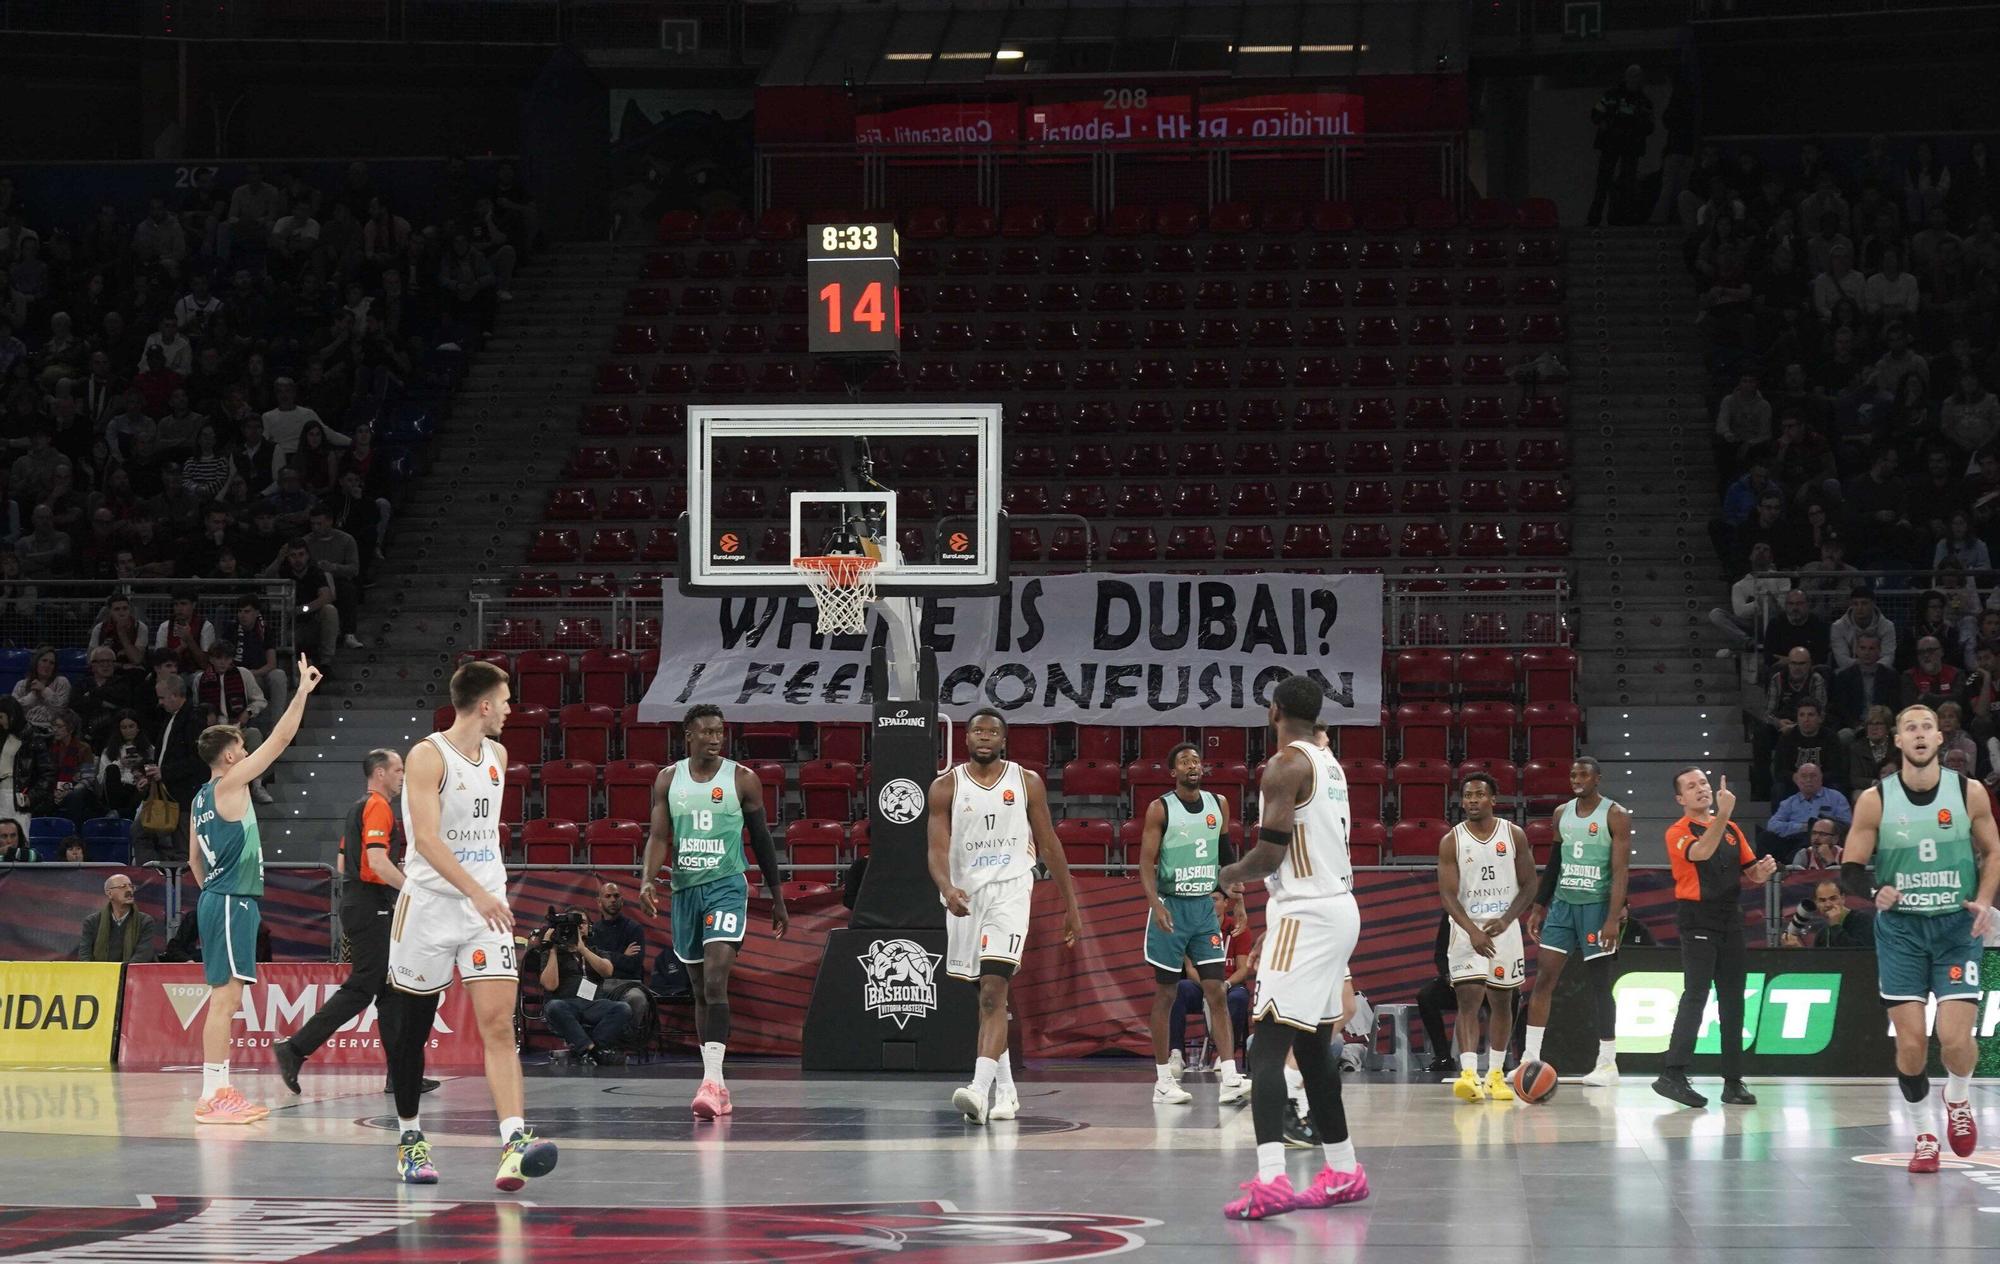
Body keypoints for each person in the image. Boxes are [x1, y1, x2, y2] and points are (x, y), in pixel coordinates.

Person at [379, 661, 556, 1190]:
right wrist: (475, 891)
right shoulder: (426, 756)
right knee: (412, 1032)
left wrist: (486, 892)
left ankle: (514, 1141)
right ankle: (410, 1138)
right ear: (482, 705)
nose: (509, 709)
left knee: (500, 1025)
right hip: (430, 906)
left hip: (486, 911)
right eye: (504, 700)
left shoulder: (498, 755)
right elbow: (427, 841)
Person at [1217, 674, 1365, 1220]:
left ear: (1273, 710)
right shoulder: (1329, 760)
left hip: (1304, 914)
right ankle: (1344, 1170)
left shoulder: (1285, 765)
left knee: (1266, 1048)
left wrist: (1226, 875)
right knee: (1312, 1050)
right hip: (1338, 909)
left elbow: (1269, 855)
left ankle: (1272, 1180)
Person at [1840, 704, 1998, 1172]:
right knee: (1911, 1046)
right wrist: (1874, 890)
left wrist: (1985, 901)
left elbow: (1993, 853)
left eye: (1927, 726)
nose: (1920, 734)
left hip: (1955, 926)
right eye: (1911, 728)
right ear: (1898, 741)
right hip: (1903, 931)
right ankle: (1924, 1134)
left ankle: (1958, 1096)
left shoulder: (1969, 793)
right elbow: (1849, 870)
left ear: (1940, 737)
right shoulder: (1876, 799)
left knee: (1954, 1039)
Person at [927, 707, 1081, 1127]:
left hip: (1012, 889)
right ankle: (1007, 1092)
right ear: (966, 738)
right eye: (977, 730)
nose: (984, 737)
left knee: (995, 987)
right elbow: (937, 850)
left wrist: (1071, 904)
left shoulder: (1026, 782)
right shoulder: (945, 787)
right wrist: (947, 888)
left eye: (992, 731)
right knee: (985, 997)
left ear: (1003, 739)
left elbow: (1049, 844)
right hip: (965, 896)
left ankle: (977, 1089)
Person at [187, 653, 322, 1125]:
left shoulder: (200, 798)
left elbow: (192, 861)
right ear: (228, 756)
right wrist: (302, 691)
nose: (247, 754)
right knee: (225, 1000)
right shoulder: (229, 784)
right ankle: (214, 1093)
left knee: (228, 997)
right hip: (229, 901)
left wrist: (215, 893)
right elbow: (281, 739)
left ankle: (217, 1090)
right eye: (242, 748)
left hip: (219, 898)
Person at [637, 704, 789, 1119]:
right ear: (689, 735)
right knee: (701, 987)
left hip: (726, 886)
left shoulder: (742, 778)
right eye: (705, 731)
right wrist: (648, 879)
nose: (714, 737)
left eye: (719, 731)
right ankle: (715, 1084)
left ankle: (712, 1081)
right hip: (686, 890)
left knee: (717, 980)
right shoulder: (669, 779)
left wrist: (777, 897)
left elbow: (761, 840)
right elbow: (659, 836)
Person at [272, 749, 436, 1098]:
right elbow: (375, 862)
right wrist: (412, 890)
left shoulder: (358, 808)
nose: (402, 775)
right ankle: (296, 1047)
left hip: (362, 903)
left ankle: (400, 1073)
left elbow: (344, 861)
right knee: (365, 986)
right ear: (379, 773)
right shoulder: (377, 807)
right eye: (397, 769)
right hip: (371, 905)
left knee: (392, 991)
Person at [1654, 769, 1779, 1109]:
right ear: (1680, 799)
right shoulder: (1678, 832)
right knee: (1696, 994)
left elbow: (1750, 871)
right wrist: (1723, 814)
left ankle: (1733, 1081)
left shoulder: (1733, 831)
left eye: (1704, 784)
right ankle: (1673, 1074)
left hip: (1729, 918)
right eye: (1691, 787)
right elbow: (1701, 853)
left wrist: (1762, 873)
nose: (1701, 790)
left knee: (1734, 1000)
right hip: (1697, 918)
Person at [1137, 742, 1249, 1105]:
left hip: (1203, 907)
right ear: (1173, 772)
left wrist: (1239, 903)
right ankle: (1162, 1080)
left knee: (1217, 990)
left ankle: (1230, 1075)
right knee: (1167, 993)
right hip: (1171, 906)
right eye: (1184, 761)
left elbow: (1227, 858)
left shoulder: (1219, 804)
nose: (1192, 765)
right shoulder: (1160, 808)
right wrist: (1156, 905)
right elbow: (1145, 863)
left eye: (1196, 760)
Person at [1522, 757, 1632, 1086]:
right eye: (1573, 774)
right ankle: (1530, 1058)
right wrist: (1539, 906)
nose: (1577, 779)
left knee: (1600, 986)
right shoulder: (1562, 814)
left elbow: (1620, 871)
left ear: (1598, 778)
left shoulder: (1615, 814)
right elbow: (1554, 863)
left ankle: (1607, 1062)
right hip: (1563, 905)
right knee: (1544, 979)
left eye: (1584, 774)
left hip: (1596, 907)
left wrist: (1613, 917)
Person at [1436, 771, 1536, 1104]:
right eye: (1467, 796)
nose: (1473, 801)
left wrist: (1507, 919)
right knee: (1469, 998)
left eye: (1479, 794)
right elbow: (1448, 895)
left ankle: (1495, 1074)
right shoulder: (1452, 839)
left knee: (1502, 1001)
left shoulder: (1514, 834)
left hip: (1504, 928)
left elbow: (1530, 884)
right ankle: (1469, 1075)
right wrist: (1472, 929)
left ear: (1493, 799)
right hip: (1467, 928)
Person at [534, 909, 630, 1065]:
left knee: (622, 1008)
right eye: (573, 924)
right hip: (565, 1004)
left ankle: (588, 1050)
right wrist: (552, 949)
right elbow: (550, 986)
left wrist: (583, 950)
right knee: (553, 1006)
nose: (578, 927)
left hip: (592, 1005)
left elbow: (607, 971)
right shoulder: (553, 952)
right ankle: (594, 1051)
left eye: (582, 923)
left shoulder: (595, 951)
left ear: (589, 927)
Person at [1587, 64, 1653, 227]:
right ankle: (1596, 218)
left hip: (1629, 147)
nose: (1634, 80)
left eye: (1637, 77)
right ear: (1626, 77)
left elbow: (1650, 126)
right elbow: (1595, 114)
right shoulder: (1613, 96)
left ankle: (1621, 218)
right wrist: (1604, 122)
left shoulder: (1643, 102)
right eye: (1632, 76)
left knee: (1626, 184)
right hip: (1612, 144)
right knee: (1604, 182)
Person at [1759, 763, 1853, 864]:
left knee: (1813, 835)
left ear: (1821, 779)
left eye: (1813, 776)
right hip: (1793, 837)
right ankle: (1765, 874)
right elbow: (1772, 825)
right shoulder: (1789, 802)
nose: (1808, 780)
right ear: (1797, 780)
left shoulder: (1836, 797)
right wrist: (1802, 827)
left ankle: (1795, 867)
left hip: (1820, 838)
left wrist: (1820, 827)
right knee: (1765, 837)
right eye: (1804, 776)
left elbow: (1846, 824)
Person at [77, 872, 159, 963]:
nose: (129, 890)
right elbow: (84, 954)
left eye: (131, 886)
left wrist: (121, 973)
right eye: (123, 887)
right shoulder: (92, 921)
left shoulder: (145, 921)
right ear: (109, 893)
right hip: (100, 974)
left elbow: (143, 954)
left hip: (131, 975)